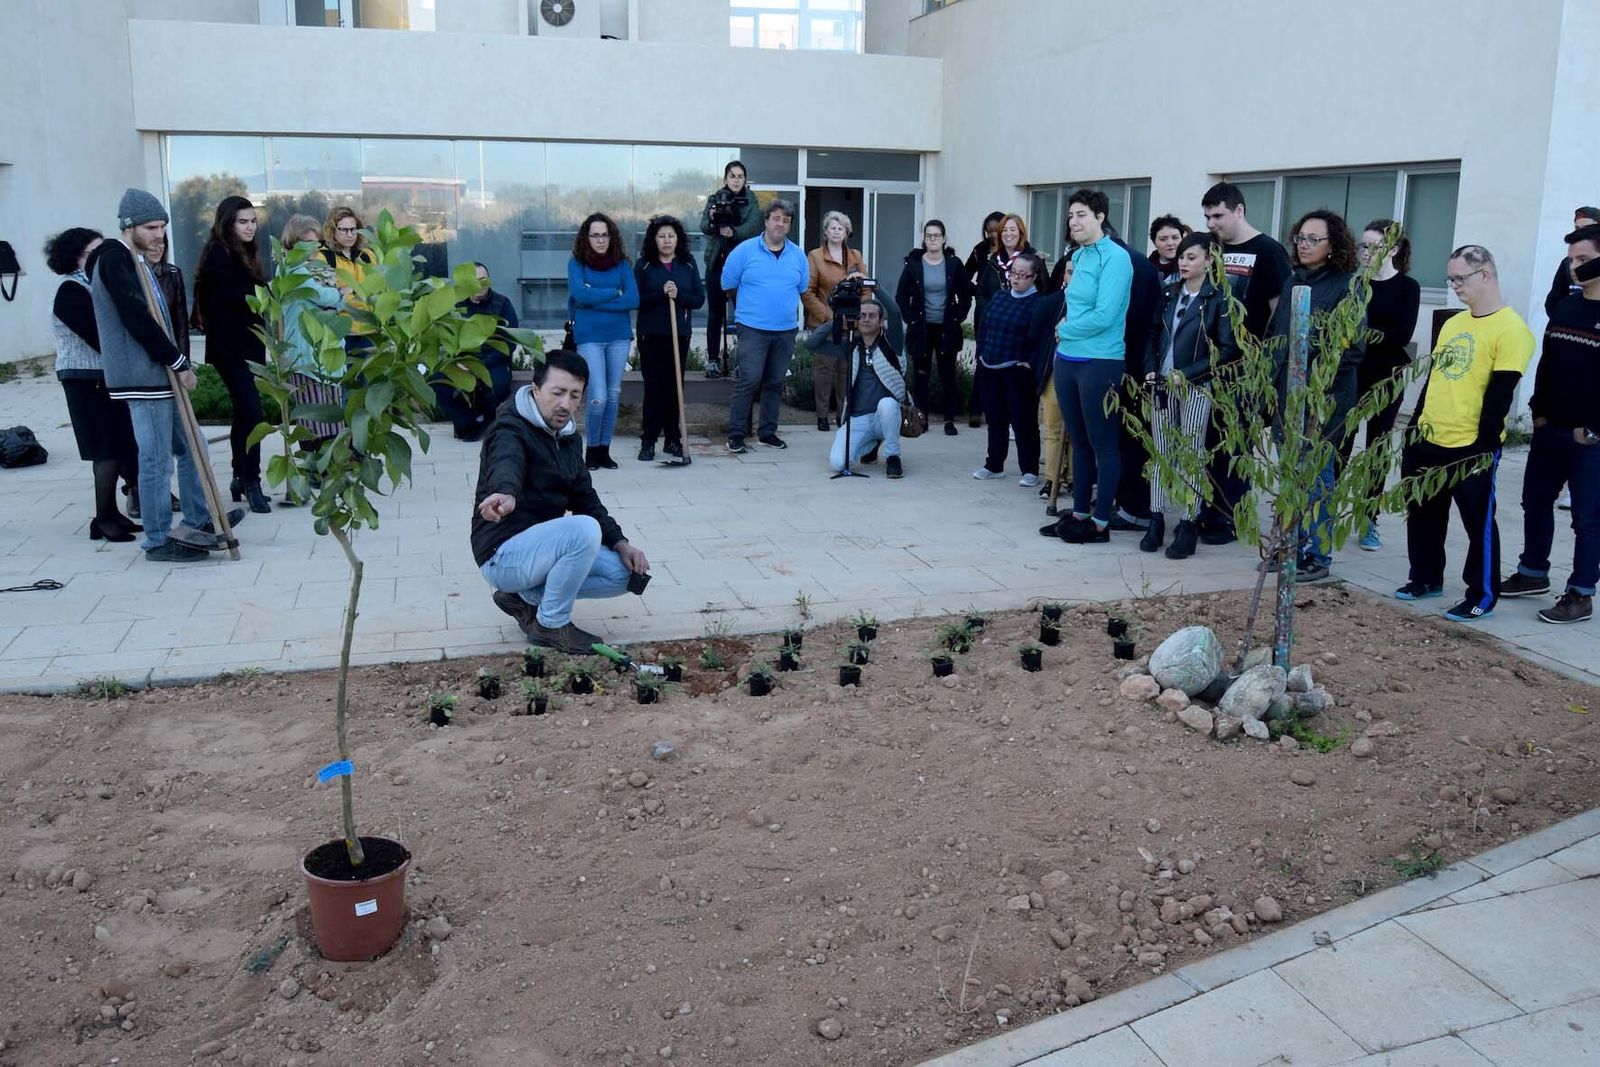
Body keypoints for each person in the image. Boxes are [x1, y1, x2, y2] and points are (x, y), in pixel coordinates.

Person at [88, 189, 243, 562]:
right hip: (143, 377)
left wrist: (177, 362)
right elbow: (136, 317)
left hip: (159, 374)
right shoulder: (113, 258)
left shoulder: (138, 260)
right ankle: (158, 539)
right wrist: (177, 362)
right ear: (129, 227)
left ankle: (198, 519)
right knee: (156, 458)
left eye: (162, 227)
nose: (159, 234)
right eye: (150, 227)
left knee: (193, 446)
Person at [474, 349, 650, 653]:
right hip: (502, 553)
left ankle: (522, 597)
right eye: (557, 393)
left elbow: (586, 497)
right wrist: (505, 494)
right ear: (536, 388)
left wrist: (621, 542)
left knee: (627, 576)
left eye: (574, 395)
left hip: (543, 552)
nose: (565, 404)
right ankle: (551, 624)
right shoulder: (508, 429)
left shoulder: (568, 437)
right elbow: (507, 463)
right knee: (583, 530)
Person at [1395, 244, 1532, 622]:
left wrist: (1484, 445)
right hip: (1429, 437)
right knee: (1423, 514)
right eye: (1450, 279)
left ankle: (1482, 593)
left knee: (1478, 523)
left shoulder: (1511, 329)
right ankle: (1424, 577)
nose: (1454, 285)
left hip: (1471, 444)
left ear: (1485, 274)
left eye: (1460, 278)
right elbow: (1433, 380)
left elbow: (1500, 394)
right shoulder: (1454, 323)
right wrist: (1413, 428)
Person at [1501, 223, 1600, 624]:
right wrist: (1538, 412)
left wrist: (1592, 429)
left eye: (1584, 259)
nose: (1574, 267)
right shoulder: (1566, 307)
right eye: (1570, 259)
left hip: (1589, 441)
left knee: (1588, 520)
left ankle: (1580, 593)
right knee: (1535, 503)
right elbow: (1548, 365)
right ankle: (1532, 572)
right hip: (1549, 430)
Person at [1269, 209, 1365, 583]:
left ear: (1333, 245)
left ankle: (1317, 555)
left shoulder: (1347, 286)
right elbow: (1278, 341)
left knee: (1317, 480)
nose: (1304, 245)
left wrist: (1310, 383)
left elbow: (1351, 349)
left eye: (1314, 239)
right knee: (1289, 478)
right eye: (1300, 238)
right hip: (1285, 400)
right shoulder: (1294, 281)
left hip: (1322, 402)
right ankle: (1288, 546)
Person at [1198, 182, 1292, 544]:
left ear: (1239, 210)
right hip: (1207, 363)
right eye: (1207, 216)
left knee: (1234, 445)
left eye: (1218, 215)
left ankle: (1229, 518)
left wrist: (1263, 364)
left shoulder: (1268, 251)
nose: (1212, 223)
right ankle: (1209, 509)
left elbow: (1277, 311)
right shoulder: (1211, 249)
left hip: (1246, 368)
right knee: (1207, 441)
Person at [1140, 233, 1240, 560]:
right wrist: (1151, 367)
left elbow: (1226, 350)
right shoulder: (1169, 293)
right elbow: (1152, 333)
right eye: (1182, 257)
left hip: (1195, 387)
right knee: (1160, 452)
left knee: (1191, 455)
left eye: (1192, 257)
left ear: (1209, 261)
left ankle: (1188, 522)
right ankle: (1155, 518)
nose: (1184, 262)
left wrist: (1190, 373)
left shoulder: (1219, 298)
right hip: (1162, 386)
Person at [1044, 189, 1133, 545]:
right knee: (1078, 443)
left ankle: (1099, 523)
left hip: (1100, 361)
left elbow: (1106, 314)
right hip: (1068, 359)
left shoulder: (1117, 258)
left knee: (1103, 444)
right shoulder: (1078, 256)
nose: (1074, 222)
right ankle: (1079, 514)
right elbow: (1075, 305)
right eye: (1070, 216)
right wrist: (1066, 334)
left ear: (1099, 217)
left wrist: (1064, 329)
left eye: (1081, 214)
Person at [45, 226, 140, 542]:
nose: (100, 259)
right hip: (85, 380)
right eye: (92, 253)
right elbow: (100, 337)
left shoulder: (97, 286)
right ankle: (103, 517)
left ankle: (112, 514)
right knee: (105, 448)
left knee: (118, 444)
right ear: (75, 258)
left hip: (105, 378)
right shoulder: (71, 291)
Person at [194, 195, 271, 513]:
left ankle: (242, 476)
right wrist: (266, 291)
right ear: (228, 223)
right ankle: (250, 479)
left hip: (250, 345)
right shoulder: (218, 253)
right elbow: (226, 295)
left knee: (245, 412)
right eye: (243, 221)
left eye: (253, 221)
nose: (250, 227)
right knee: (253, 413)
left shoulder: (245, 252)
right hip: (230, 348)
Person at [1352, 219, 1422, 551]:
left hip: (1386, 378)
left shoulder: (1408, 287)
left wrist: (1362, 334)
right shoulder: (1354, 285)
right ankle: (1321, 516)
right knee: (1338, 445)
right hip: (1351, 375)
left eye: (1373, 247)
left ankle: (1369, 519)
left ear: (1392, 250)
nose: (1365, 253)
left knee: (1376, 451)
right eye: (1362, 246)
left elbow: (1401, 335)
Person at [721, 199, 808, 454]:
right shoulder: (745, 251)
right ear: (767, 221)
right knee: (749, 380)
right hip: (752, 328)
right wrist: (746, 311)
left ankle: (767, 433)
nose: (781, 224)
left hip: (786, 329)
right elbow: (727, 284)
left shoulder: (798, 255)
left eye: (786, 220)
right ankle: (736, 435)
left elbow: (802, 289)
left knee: (775, 382)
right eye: (776, 218)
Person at [567, 212, 639, 471]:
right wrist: (612, 293)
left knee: (613, 394)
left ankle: (603, 451)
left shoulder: (622, 264)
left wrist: (592, 298)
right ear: (587, 238)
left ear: (612, 237)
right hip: (589, 339)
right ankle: (590, 449)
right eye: (595, 235)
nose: (600, 240)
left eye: (604, 234)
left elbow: (632, 300)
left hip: (618, 337)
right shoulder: (576, 263)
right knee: (597, 397)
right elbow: (578, 295)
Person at [276, 214, 346, 465]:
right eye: (306, 243)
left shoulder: (312, 268)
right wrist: (339, 294)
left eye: (317, 243)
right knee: (312, 413)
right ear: (293, 243)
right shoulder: (292, 270)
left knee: (329, 410)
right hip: (305, 351)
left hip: (324, 350)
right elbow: (322, 296)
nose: (314, 249)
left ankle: (328, 464)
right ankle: (314, 465)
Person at [633, 215, 705, 461]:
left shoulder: (688, 264)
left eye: (671, 236)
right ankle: (648, 440)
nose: (666, 241)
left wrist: (679, 293)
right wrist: (660, 293)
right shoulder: (644, 265)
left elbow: (698, 299)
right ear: (654, 239)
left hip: (679, 334)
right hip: (652, 335)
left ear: (678, 239)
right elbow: (636, 299)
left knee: (675, 388)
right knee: (654, 389)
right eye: (661, 236)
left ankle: (673, 439)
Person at [972, 251, 1044, 484]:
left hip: (1017, 370)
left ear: (1034, 277)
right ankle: (994, 464)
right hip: (989, 365)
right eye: (1014, 273)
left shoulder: (1038, 304)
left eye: (1023, 275)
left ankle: (1030, 469)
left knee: (1023, 421)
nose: (1016, 278)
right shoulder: (1000, 297)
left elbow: (1039, 341)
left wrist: (1029, 363)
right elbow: (984, 327)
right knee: (995, 419)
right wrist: (980, 354)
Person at [896, 219, 972, 436]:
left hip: (946, 328)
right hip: (921, 328)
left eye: (936, 235)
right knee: (921, 375)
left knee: (948, 375)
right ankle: (922, 419)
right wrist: (910, 318)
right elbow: (901, 295)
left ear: (944, 239)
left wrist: (957, 318)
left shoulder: (954, 264)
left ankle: (949, 420)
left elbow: (965, 295)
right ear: (924, 239)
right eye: (928, 236)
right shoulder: (914, 264)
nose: (932, 239)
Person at [434, 262, 520, 443]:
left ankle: (484, 419)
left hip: (493, 361)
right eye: (474, 280)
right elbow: (443, 338)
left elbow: (510, 342)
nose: (480, 284)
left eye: (484, 279)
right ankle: (469, 422)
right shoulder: (456, 306)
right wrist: (457, 361)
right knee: (436, 382)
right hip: (461, 361)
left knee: (496, 386)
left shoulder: (503, 304)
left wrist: (480, 365)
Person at [827, 299, 908, 479]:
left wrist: (873, 285)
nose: (866, 319)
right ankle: (872, 443)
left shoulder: (892, 342)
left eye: (872, 316)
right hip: (858, 418)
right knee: (837, 463)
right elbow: (812, 344)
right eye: (861, 315)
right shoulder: (852, 345)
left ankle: (893, 457)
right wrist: (838, 319)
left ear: (880, 321)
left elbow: (894, 312)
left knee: (887, 404)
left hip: (885, 416)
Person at [801, 211, 865, 432]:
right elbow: (807, 293)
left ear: (846, 233)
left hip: (851, 323)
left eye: (841, 228)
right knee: (825, 369)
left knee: (845, 370)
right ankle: (821, 416)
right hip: (825, 323)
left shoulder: (855, 256)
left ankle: (842, 414)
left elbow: (865, 288)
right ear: (826, 231)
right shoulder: (815, 256)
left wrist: (861, 313)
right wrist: (829, 316)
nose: (837, 232)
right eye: (833, 228)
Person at [972, 214, 1036, 429]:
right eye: (1004, 230)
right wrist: (988, 307)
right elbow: (980, 290)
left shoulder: (1032, 259)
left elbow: (1043, 296)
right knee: (994, 402)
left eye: (1013, 230)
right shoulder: (992, 260)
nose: (1008, 234)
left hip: (1020, 335)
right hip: (995, 332)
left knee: (1019, 400)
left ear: (1021, 233)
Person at [699, 160, 762, 379]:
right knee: (715, 314)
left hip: (742, 266)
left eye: (740, 176)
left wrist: (733, 232)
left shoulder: (751, 200)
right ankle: (713, 361)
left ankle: (742, 362)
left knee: (743, 316)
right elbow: (704, 227)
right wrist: (714, 220)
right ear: (726, 178)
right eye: (732, 176)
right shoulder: (715, 199)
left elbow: (754, 226)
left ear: (745, 179)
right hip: (717, 262)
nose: (736, 180)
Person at [1029, 251, 1072, 505]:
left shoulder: (1095, 306)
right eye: (1069, 271)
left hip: (1081, 372)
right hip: (1054, 372)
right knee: (1053, 428)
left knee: (1078, 432)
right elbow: (1036, 338)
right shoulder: (1050, 303)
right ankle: (1052, 479)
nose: (1073, 276)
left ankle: (1075, 479)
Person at [1544, 206, 1600, 317]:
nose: (1573, 266)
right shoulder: (1567, 264)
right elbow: (1553, 302)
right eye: (1577, 229)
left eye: (1587, 229)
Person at [1148, 215, 1191, 280]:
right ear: (1154, 242)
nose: (1170, 243)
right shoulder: (1146, 267)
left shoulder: (1192, 268)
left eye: (1175, 237)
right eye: (1163, 239)